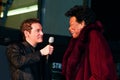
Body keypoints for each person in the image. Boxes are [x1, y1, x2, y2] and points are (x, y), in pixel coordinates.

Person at [62, 5, 118, 80]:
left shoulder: (94, 36)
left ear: (82, 23)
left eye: (71, 25)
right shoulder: (79, 40)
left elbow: (100, 74)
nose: (69, 28)